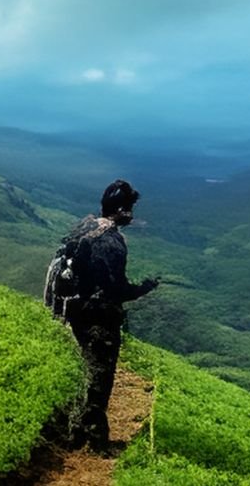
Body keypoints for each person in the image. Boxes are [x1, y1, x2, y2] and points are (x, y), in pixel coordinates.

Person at [46, 179, 159, 452]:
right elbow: (115, 288)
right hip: (99, 316)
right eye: (129, 208)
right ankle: (94, 441)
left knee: (85, 370)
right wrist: (143, 288)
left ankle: (76, 431)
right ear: (120, 209)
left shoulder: (87, 226)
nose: (131, 215)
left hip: (77, 311)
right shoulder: (112, 241)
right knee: (100, 375)